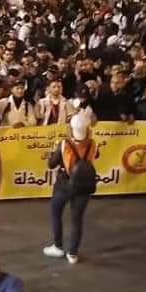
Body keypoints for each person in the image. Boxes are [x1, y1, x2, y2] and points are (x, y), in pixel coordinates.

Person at [43, 111, 97, 265]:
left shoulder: (64, 144)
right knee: (77, 220)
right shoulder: (93, 143)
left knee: (56, 213)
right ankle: (73, 253)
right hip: (84, 187)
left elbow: (51, 164)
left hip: (64, 185)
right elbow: (95, 156)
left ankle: (58, 246)